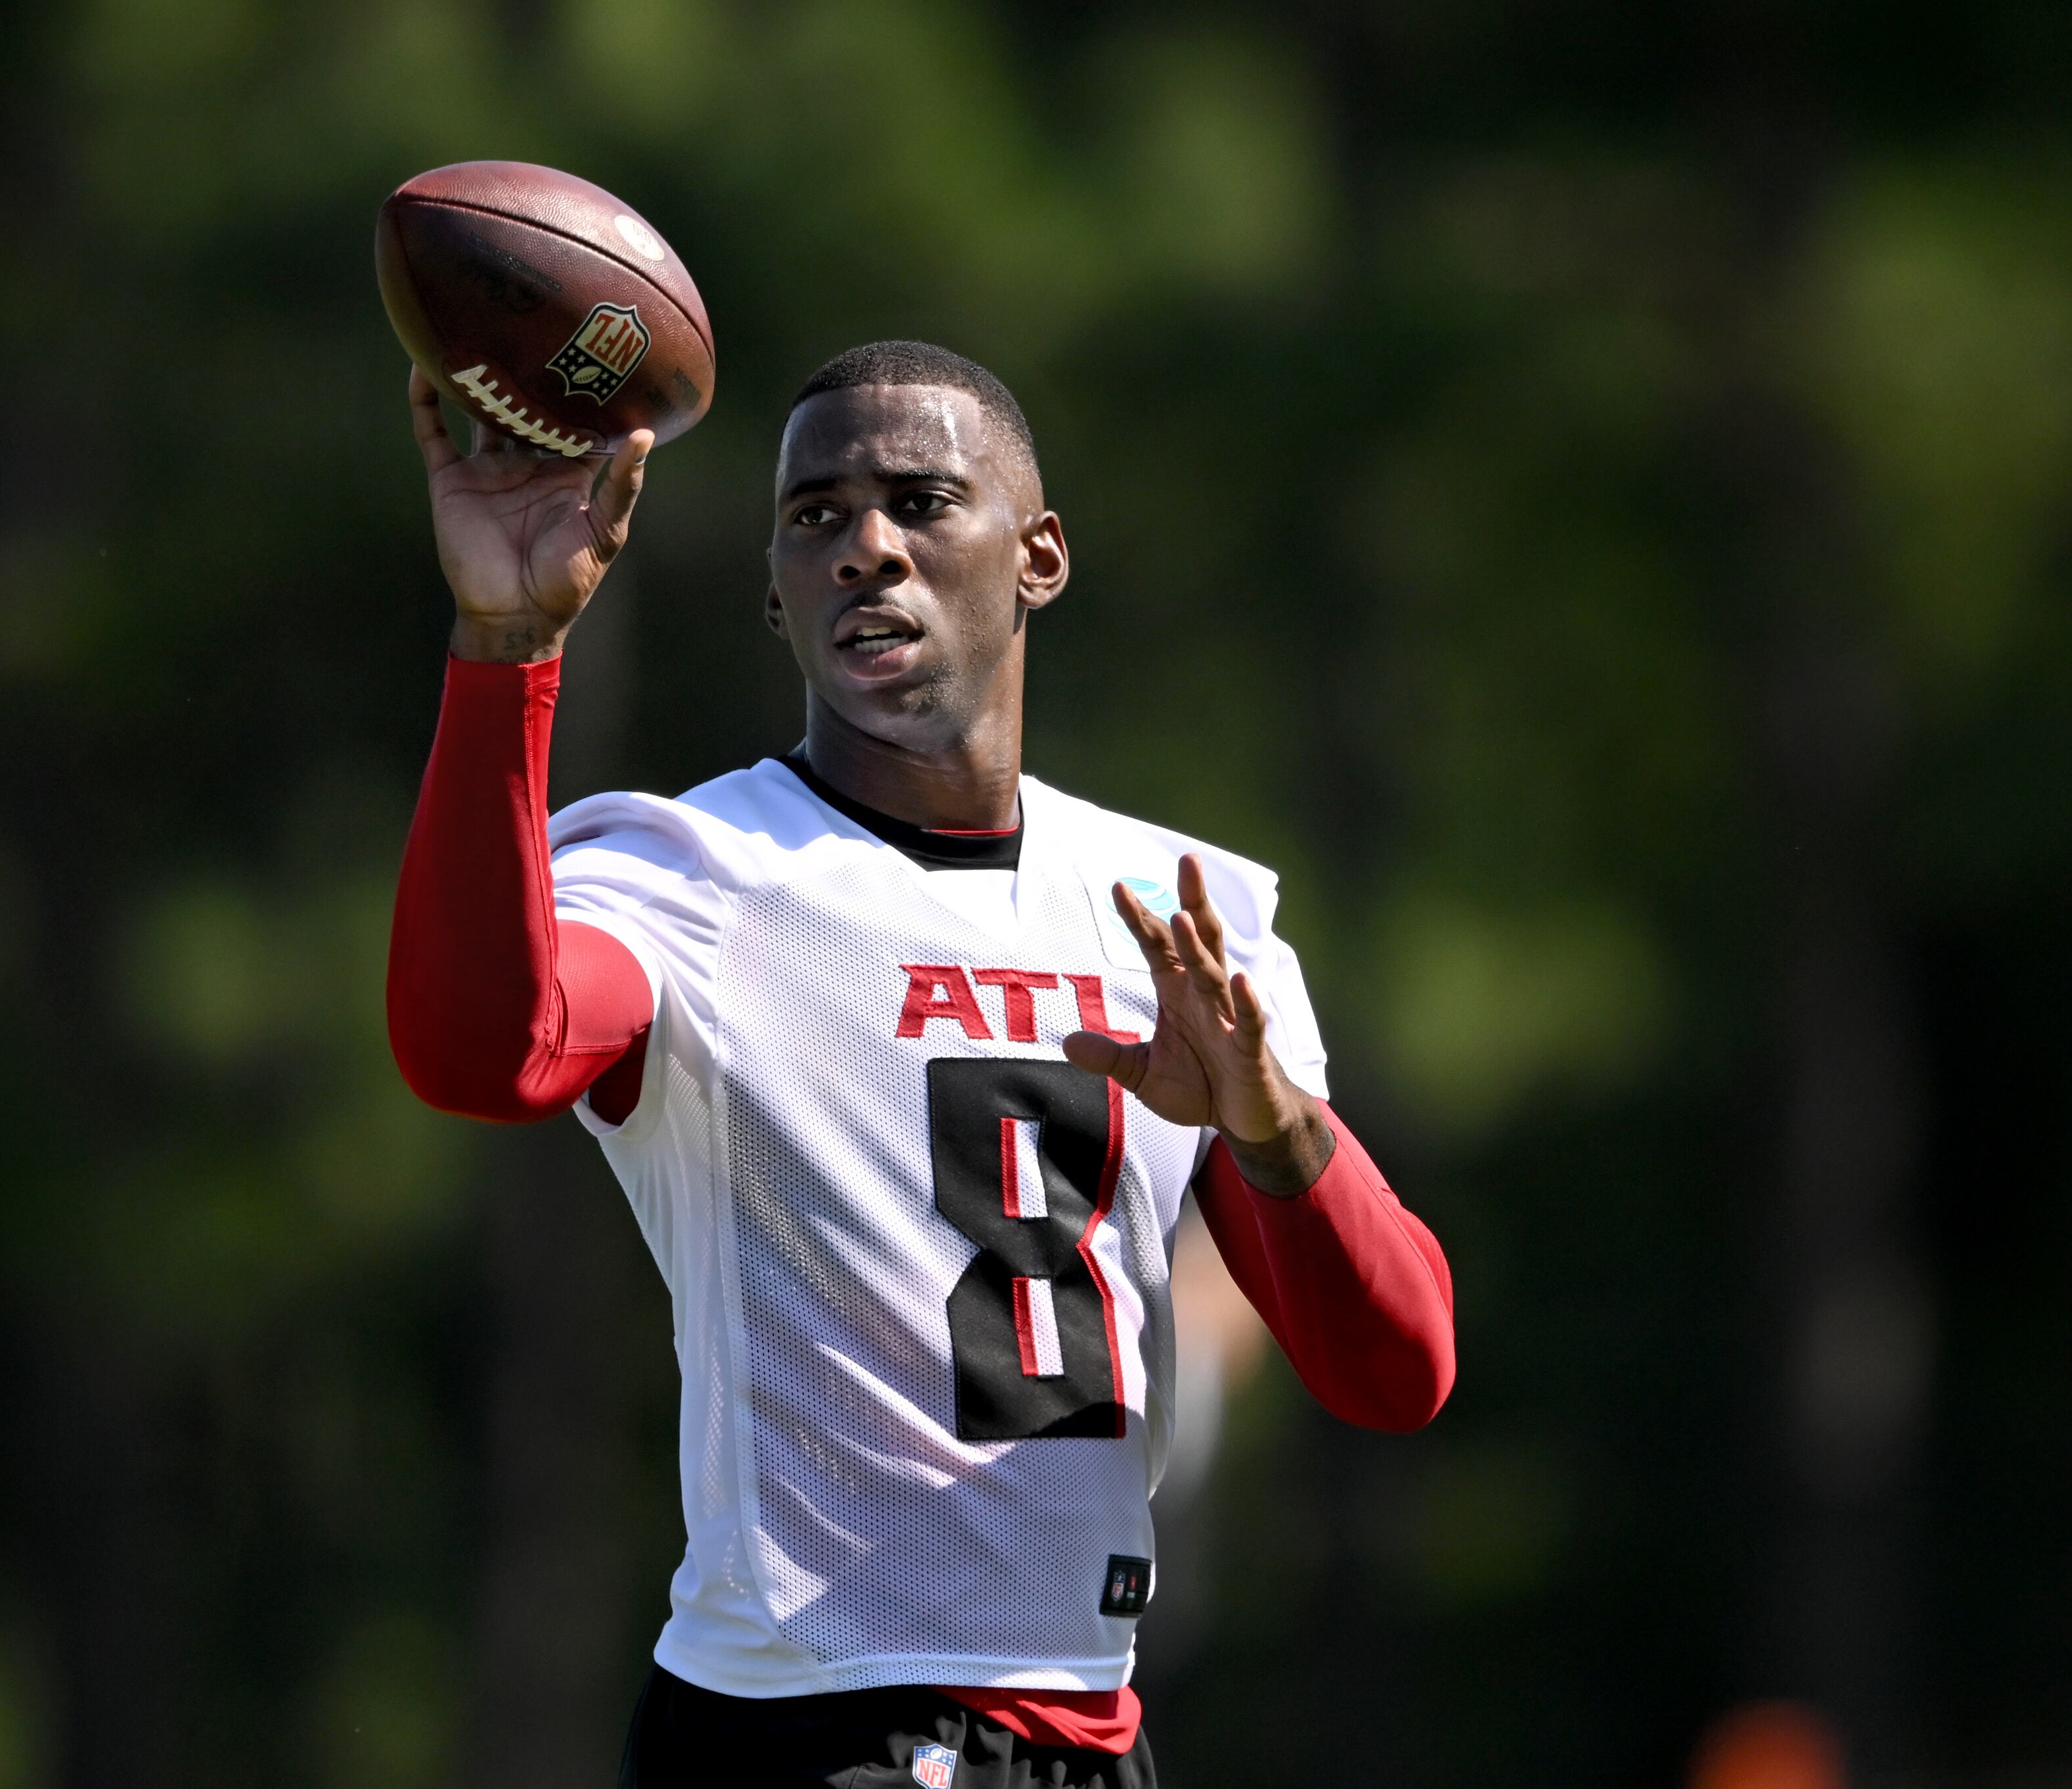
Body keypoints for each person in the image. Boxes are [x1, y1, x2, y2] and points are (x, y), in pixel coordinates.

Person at [387, 339, 1456, 1789]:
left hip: (1094, 1728)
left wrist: (1270, 1132)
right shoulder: (698, 874)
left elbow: (1398, 1367)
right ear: (775, 592)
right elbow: (474, 1049)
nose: (865, 547)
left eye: (919, 500)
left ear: (1039, 557)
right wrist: (505, 646)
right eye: (815, 515)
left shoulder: (1177, 912)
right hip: (809, 1724)